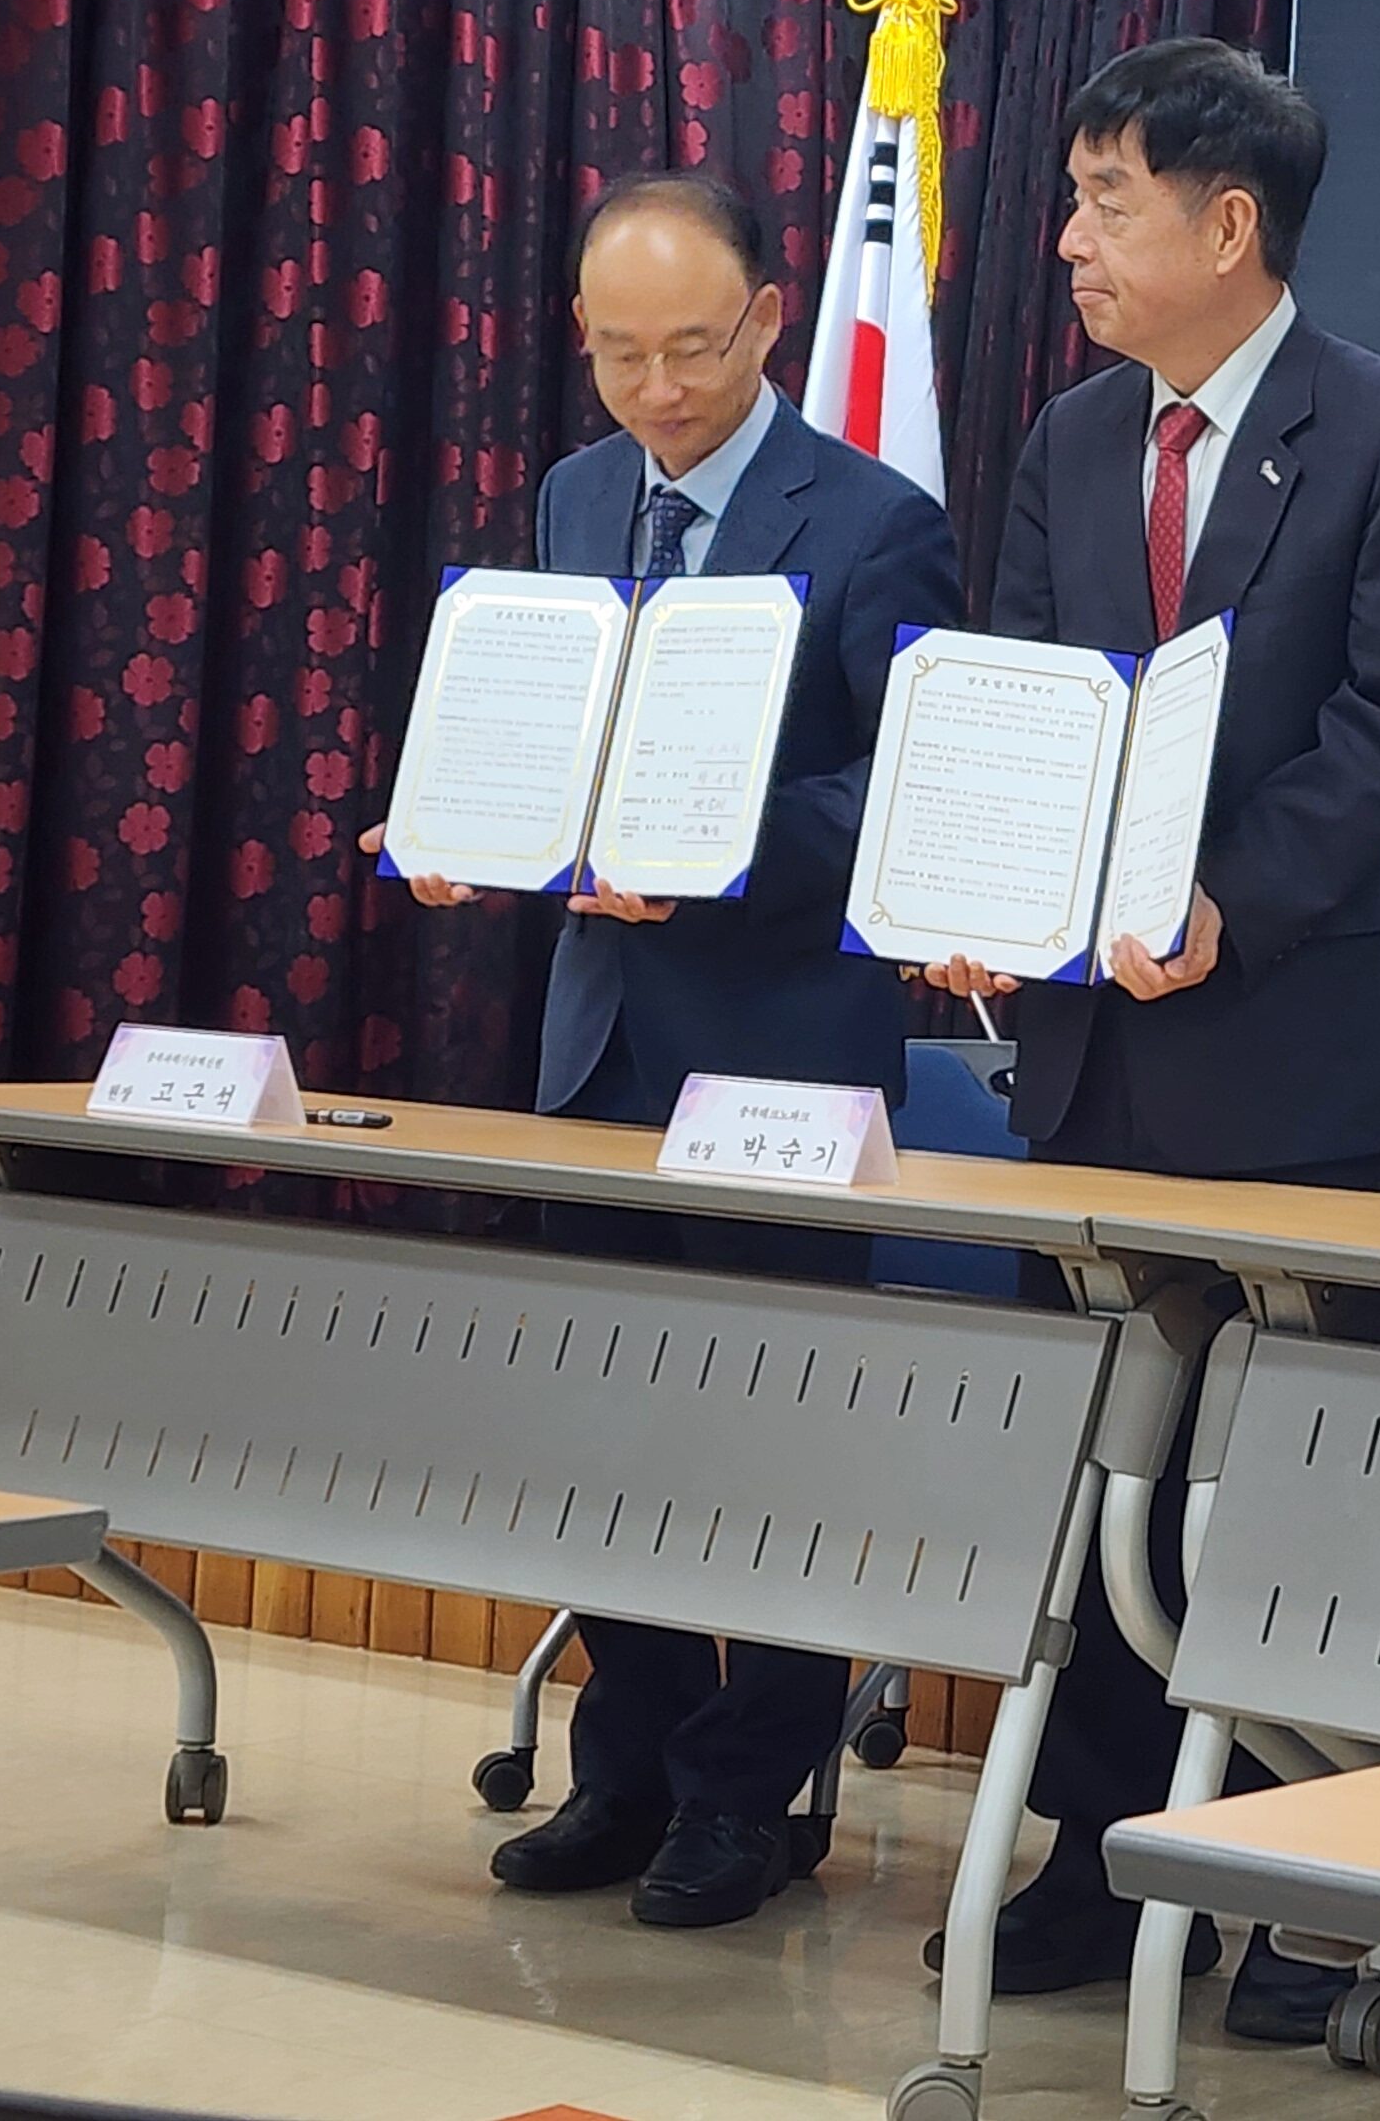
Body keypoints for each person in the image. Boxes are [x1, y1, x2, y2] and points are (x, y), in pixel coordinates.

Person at [922, 35, 1380, 2035]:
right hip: (1092, 1058)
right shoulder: (1071, 439)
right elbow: (1025, 696)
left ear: (1227, 221)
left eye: (1105, 202)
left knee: (1277, 1498)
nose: (1067, 241)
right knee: (1100, 1485)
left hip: (1291, 1061)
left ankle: (1295, 1893)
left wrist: (1222, 899)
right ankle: (1093, 1865)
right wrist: (988, 894)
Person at [365, 171, 962, 1927]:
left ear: (770, 318)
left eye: (694, 349)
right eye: (622, 355)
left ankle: (748, 1794)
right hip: (602, 1041)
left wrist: (718, 851)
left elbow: (904, 783)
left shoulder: (875, 517)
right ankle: (621, 1768)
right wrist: (473, 818)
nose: (661, 389)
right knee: (601, 1428)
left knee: (772, 1442)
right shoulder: (577, 494)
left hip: (783, 1052)